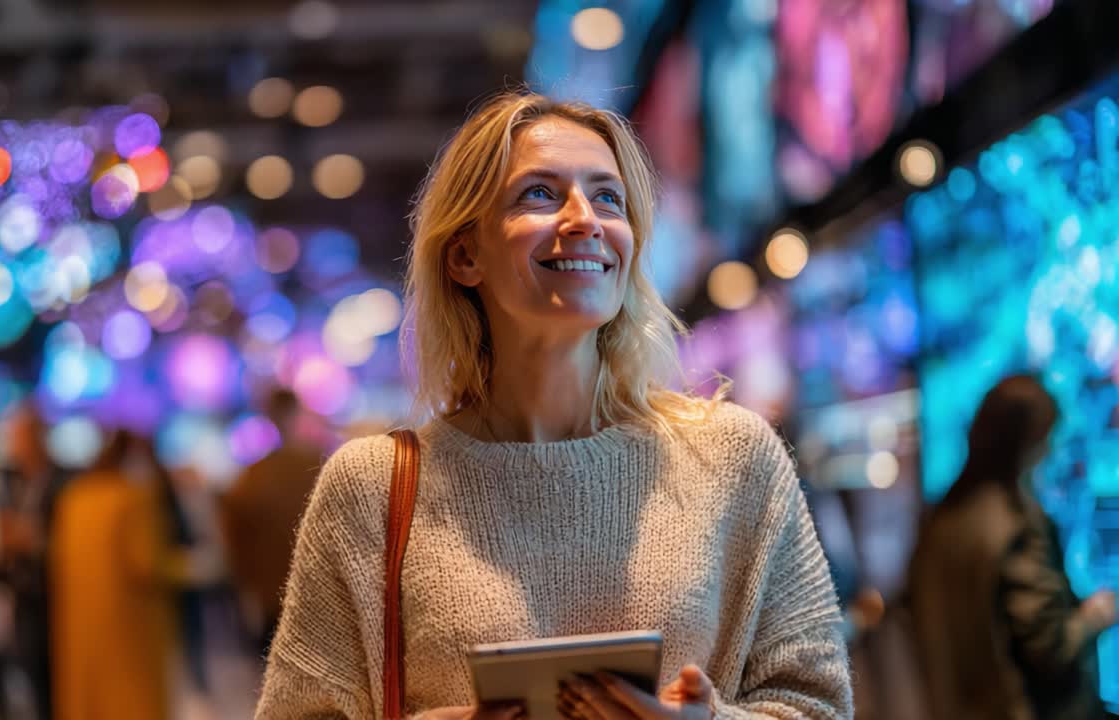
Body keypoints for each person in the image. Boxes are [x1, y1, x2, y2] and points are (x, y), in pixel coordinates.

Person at [256, 92, 851, 718]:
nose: (584, 219)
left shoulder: (732, 459)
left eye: (608, 197)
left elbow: (817, 705)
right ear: (464, 255)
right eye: (539, 194)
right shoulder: (372, 489)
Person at [908, 375, 1118, 719]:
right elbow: (1049, 647)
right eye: (1046, 438)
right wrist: (1096, 616)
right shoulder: (1014, 526)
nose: (1050, 451)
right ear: (1027, 442)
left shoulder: (940, 521)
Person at [49, 431, 219, 720]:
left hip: (80, 627)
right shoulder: (133, 499)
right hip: (129, 628)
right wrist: (194, 568)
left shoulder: (74, 497)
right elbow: (146, 564)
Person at [220, 388, 325, 656]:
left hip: (271, 596)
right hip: (314, 594)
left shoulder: (253, 477)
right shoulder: (317, 466)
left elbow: (234, 541)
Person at [0, 401, 68, 720]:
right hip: (19, 592)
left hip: (58, 594)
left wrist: (32, 539)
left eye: (20, 436)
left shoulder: (62, 480)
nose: (14, 444)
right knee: (27, 674)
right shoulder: (6, 481)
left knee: (57, 676)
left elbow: (65, 539)